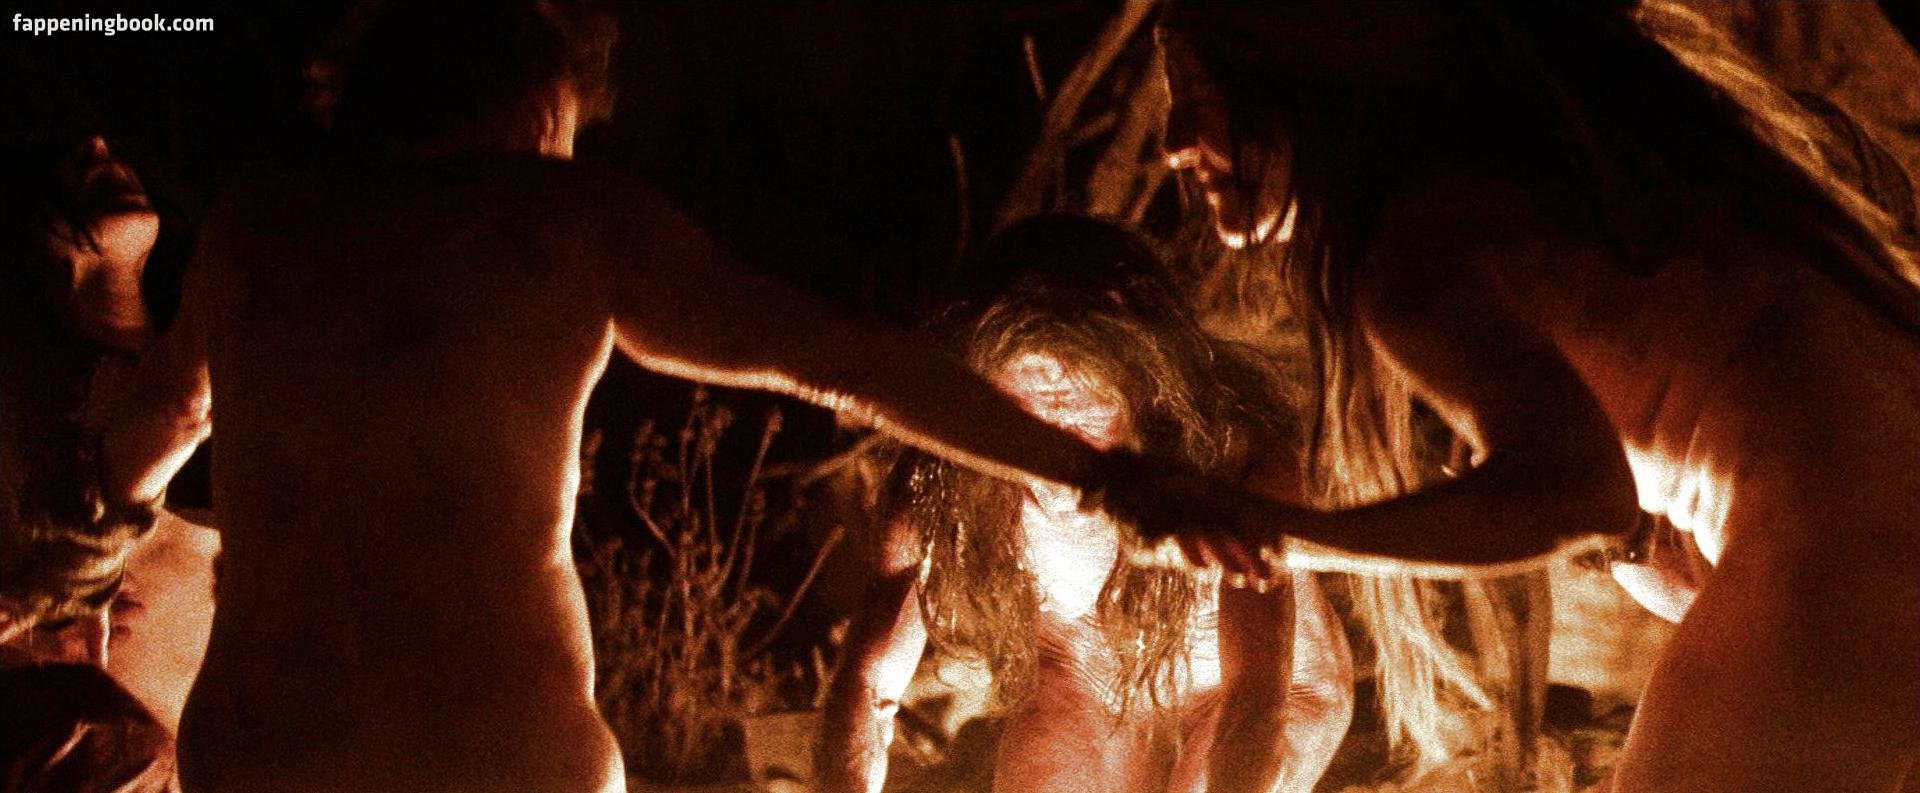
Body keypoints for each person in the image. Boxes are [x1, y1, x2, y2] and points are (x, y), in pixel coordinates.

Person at [94, 3, 1163, 792]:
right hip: (492, 758)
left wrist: (84, 544)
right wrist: (1095, 473)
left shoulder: (256, 220)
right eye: (572, 119)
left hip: (267, 752)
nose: (574, 141)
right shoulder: (561, 218)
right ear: (539, 97)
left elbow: (166, 420)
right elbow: (833, 360)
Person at [1138, 1, 1920, 791]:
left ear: (1299, 80)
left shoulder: (1417, 247)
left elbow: (1581, 493)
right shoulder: (1558, 165)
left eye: (1202, 99)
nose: (1173, 143)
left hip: (1842, 528)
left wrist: (1269, 532)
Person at [816, 216, 1353, 793]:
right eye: (1028, 430)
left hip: (1260, 694)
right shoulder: (945, 473)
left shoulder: (1235, 465)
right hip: (1083, 681)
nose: (1054, 470)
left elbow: (1255, 700)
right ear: (980, 409)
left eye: (1081, 428)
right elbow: (869, 685)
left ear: (1150, 399)